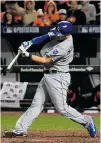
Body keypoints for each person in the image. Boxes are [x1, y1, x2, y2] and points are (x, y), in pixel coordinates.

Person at [4, 21, 96, 138]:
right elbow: (45, 36)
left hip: (58, 77)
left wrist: (27, 55)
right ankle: (21, 129)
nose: (56, 34)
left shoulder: (65, 46)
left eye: (58, 33)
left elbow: (45, 61)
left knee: (62, 108)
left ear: (66, 34)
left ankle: (87, 121)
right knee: (37, 103)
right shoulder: (61, 32)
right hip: (48, 75)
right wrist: (30, 42)